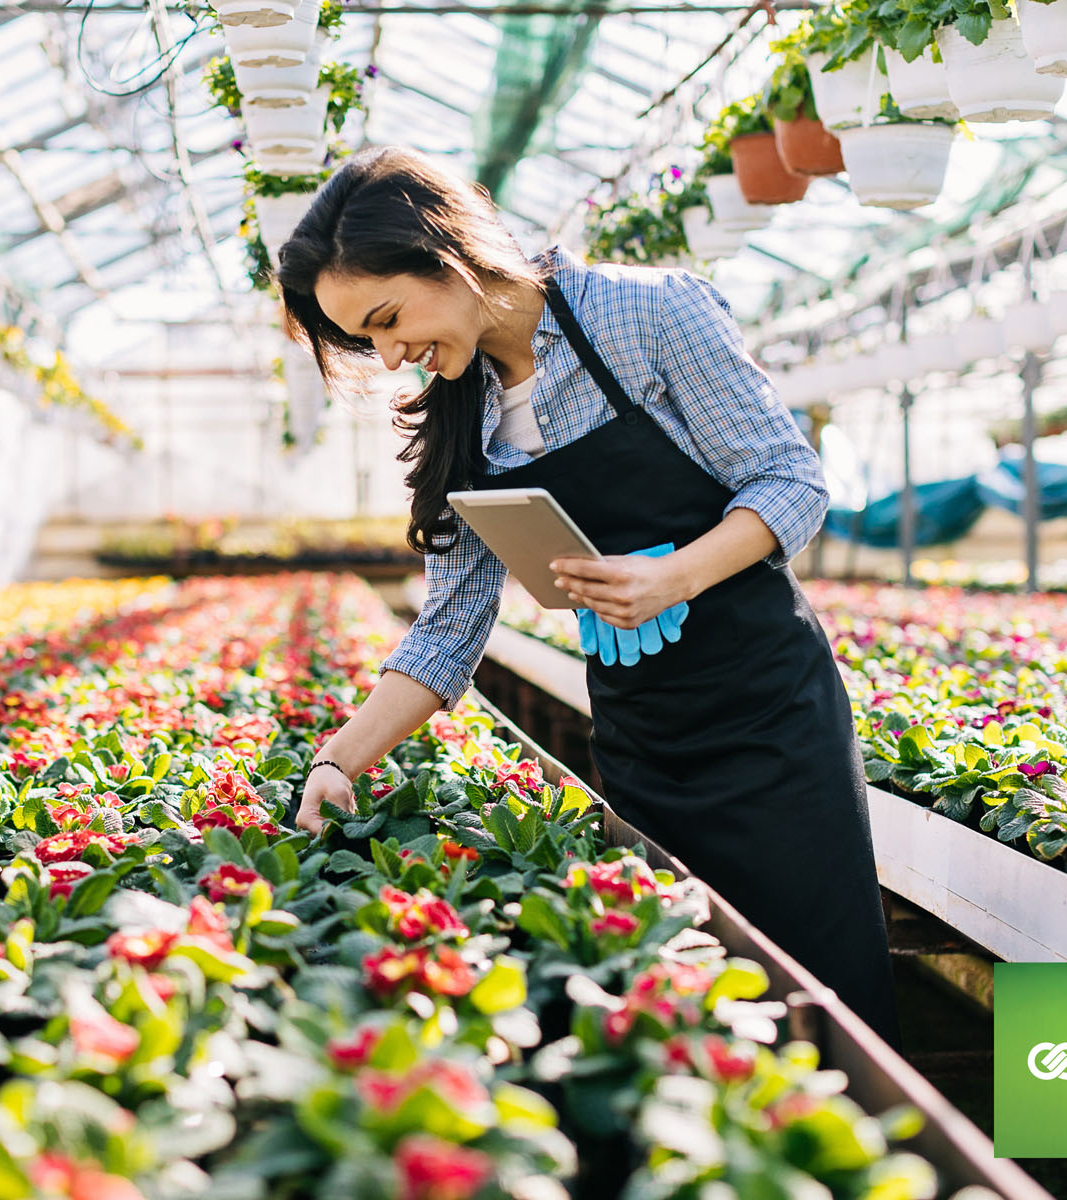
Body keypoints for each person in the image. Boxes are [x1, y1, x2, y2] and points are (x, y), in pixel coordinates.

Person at [276, 146, 900, 1047]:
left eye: (385, 318)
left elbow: (790, 481)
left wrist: (675, 574)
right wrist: (338, 762)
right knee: (692, 982)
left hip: (769, 715)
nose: (389, 352)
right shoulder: (463, 409)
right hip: (642, 733)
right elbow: (449, 627)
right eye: (364, 341)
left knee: (821, 974)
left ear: (445, 253)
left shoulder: (647, 314)